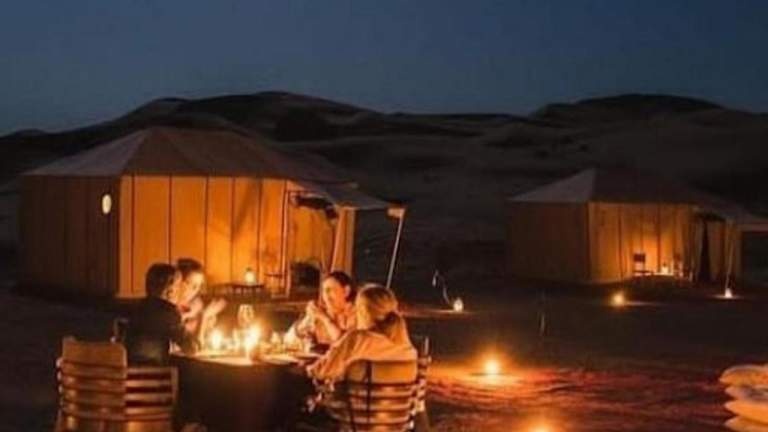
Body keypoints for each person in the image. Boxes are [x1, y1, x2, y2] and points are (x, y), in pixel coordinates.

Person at [307, 284, 417, 381]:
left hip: (353, 398)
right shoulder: (408, 349)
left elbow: (320, 371)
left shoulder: (358, 339)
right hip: (397, 399)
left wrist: (306, 368)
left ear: (363, 311)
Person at [125, 263, 197, 365]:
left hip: (130, 369)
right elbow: (191, 348)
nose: (181, 291)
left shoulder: (140, 306)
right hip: (156, 371)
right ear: (170, 290)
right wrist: (203, 318)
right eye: (179, 286)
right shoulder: (168, 312)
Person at [291, 271, 357, 346]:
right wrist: (307, 320)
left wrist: (325, 318)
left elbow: (345, 344)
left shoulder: (358, 315)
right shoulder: (322, 313)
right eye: (324, 291)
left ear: (346, 291)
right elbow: (290, 341)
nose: (325, 296)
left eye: (329, 290)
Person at [175, 258, 226, 340]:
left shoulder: (196, 304)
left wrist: (208, 324)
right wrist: (204, 317)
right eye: (190, 283)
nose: (195, 289)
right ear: (178, 282)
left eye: (198, 286)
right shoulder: (169, 310)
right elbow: (193, 343)